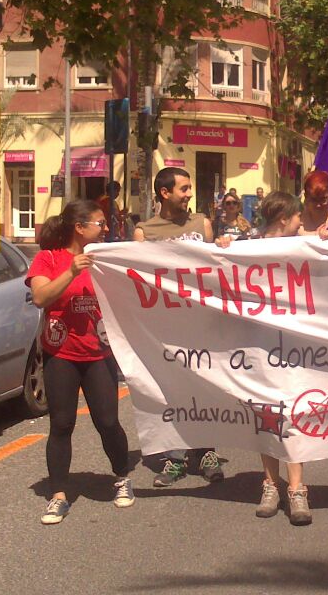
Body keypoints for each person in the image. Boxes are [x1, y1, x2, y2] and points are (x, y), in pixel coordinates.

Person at [26, 200, 135, 524]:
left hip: (98, 353)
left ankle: (122, 476)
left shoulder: (106, 258)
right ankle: (58, 494)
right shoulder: (48, 259)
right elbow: (41, 297)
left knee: (108, 422)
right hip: (61, 354)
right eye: (100, 223)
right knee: (61, 424)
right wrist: (72, 271)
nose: (106, 228)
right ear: (79, 227)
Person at [133, 167, 225, 486]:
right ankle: (174, 458)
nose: (189, 194)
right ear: (165, 192)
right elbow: (136, 278)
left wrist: (224, 247)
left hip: (200, 325)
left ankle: (206, 451)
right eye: (184, 189)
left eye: (189, 188)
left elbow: (214, 270)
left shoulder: (202, 224)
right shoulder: (144, 232)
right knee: (171, 392)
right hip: (165, 331)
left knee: (204, 389)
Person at [249, 191, 315, 525]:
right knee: (267, 413)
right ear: (283, 219)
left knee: (295, 411)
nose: (302, 221)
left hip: (294, 346)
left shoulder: (302, 246)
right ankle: (271, 484)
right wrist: (221, 245)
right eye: (297, 216)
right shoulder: (248, 248)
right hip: (259, 345)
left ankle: (297, 488)